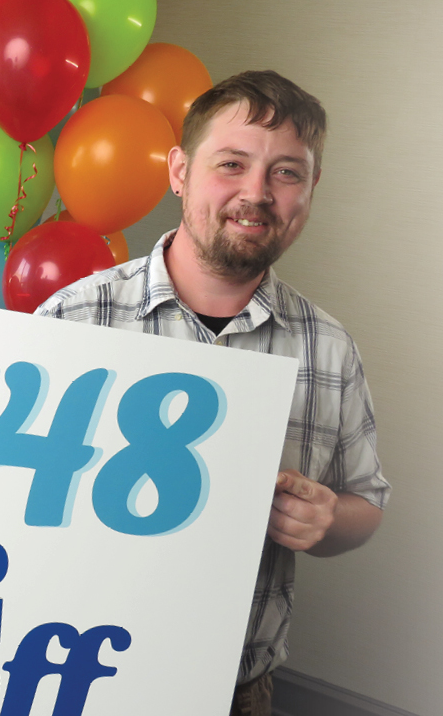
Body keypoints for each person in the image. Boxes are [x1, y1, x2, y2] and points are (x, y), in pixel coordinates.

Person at [36, 71, 390, 716]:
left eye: (287, 172)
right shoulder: (74, 319)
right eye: (231, 163)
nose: (256, 193)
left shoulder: (330, 349)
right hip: (72, 679)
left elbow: (365, 502)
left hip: (237, 693)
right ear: (179, 171)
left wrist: (328, 520)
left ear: (311, 190)